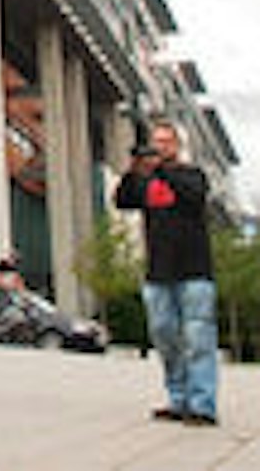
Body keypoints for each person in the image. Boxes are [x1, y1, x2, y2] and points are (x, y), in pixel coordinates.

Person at [115, 119, 218, 426]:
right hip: (158, 272)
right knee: (164, 335)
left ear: (177, 145)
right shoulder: (146, 181)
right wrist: (134, 169)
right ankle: (178, 399)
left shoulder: (192, 175)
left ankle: (202, 405)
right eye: (155, 141)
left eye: (165, 142)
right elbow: (122, 200)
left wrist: (159, 168)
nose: (159, 147)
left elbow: (193, 196)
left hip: (194, 271)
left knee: (198, 338)